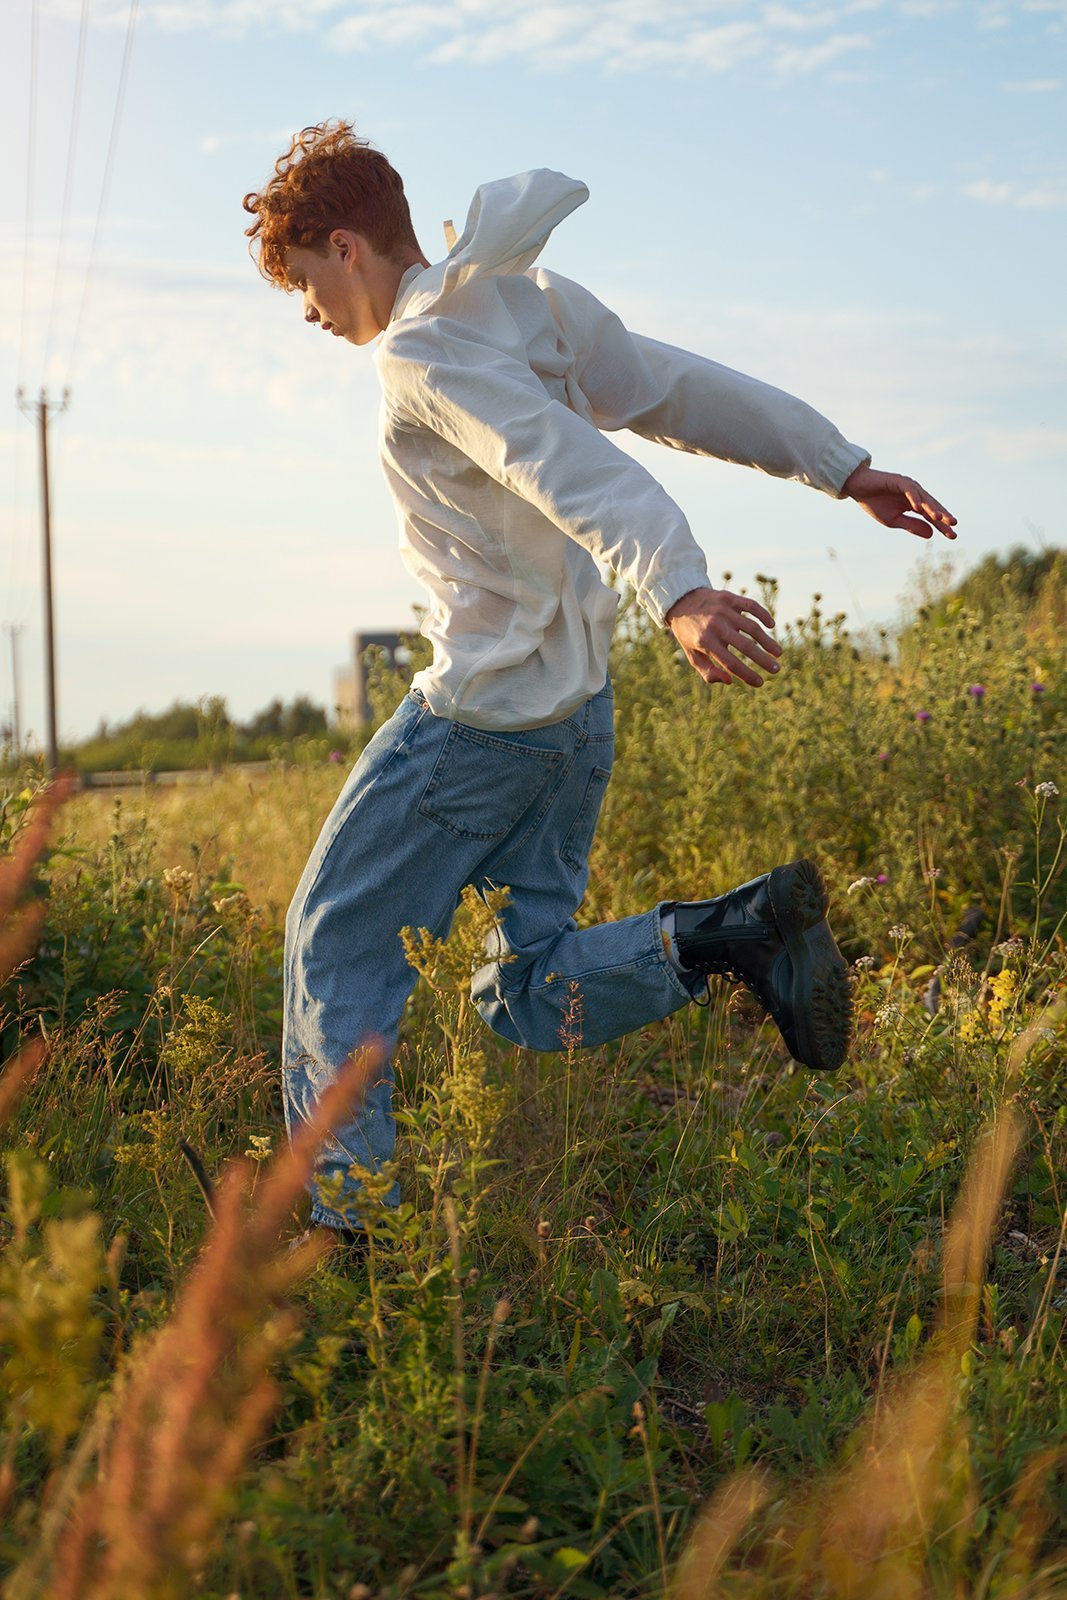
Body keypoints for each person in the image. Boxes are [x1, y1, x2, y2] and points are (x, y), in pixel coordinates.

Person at [243, 121, 957, 1247]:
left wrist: (675, 588)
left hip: (473, 726)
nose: (308, 315)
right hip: (574, 725)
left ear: (344, 247)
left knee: (333, 942)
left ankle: (339, 1238)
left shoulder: (417, 354)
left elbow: (564, 464)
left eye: (303, 285)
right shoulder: (522, 300)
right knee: (521, 989)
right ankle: (731, 938)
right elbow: (672, 387)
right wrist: (836, 463)